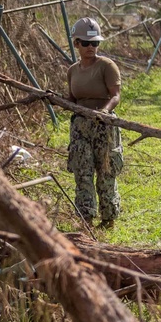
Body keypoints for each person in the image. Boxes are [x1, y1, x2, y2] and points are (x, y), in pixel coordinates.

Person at [66, 18, 123, 228]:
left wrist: (104, 112)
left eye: (95, 43)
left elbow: (115, 96)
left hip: (103, 127)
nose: (91, 47)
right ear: (76, 43)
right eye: (86, 43)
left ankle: (108, 218)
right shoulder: (73, 70)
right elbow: (71, 99)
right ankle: (86, 217)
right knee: (82, 171)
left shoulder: (107, 66)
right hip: (80, 126)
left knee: (106, 171)